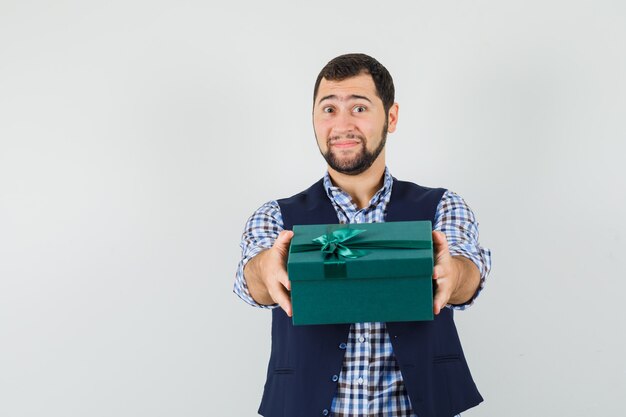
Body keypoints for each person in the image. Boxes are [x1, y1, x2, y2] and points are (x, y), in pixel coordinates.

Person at [234, 53, 492, 417]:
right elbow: (253, 279)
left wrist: (456, 274)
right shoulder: (276, 216)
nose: (342, 125)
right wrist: (265, 270)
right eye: (328, 109)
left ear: (391, 117)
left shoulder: (442, 206)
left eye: (358, 108)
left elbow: (467, 270)